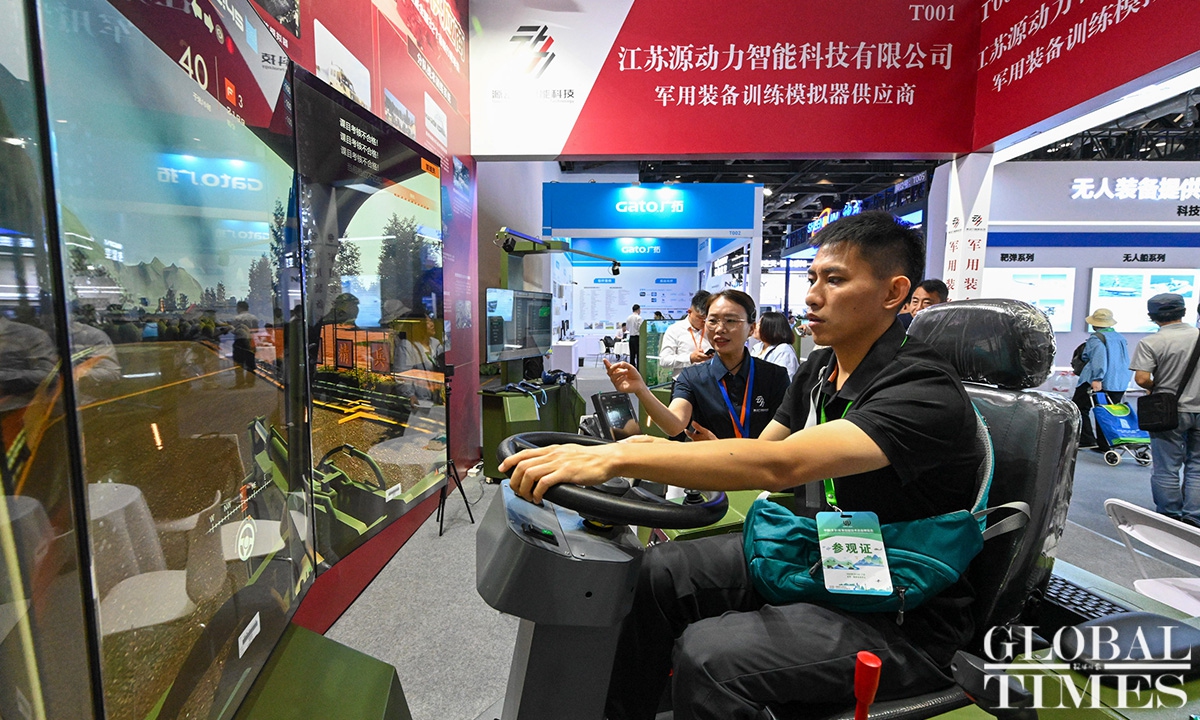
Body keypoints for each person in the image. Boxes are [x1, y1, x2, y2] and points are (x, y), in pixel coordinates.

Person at [501, 211, 984, 719]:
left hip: (904, 604)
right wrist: (637, 450)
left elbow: (780, 463)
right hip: (828, 555)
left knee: (709, 657)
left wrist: (620, 455)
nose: (812, 296)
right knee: (657, 573)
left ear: (893, 292)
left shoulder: (922, 387)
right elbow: (754, 446)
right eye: (813, 278)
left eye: (836, 280)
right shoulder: (822, 368)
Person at [605, 290, 789, 441]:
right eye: (713, 320)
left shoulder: (774, 376)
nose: (720, 328)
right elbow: (674, 425)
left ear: (751, 328)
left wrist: (720, 449)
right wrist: (641, 390)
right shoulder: (692, 377)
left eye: (731, 320)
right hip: (708, 471)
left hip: (760, 473)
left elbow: (780, 443)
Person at [1130, 293, 1200, 526]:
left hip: (1168, 410)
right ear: (1183, 312)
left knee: (1166, 466)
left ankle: (1170, 515)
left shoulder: (1151, 342)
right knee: (1197, 466)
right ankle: (1193, 516)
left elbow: (1141, 379)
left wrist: (1157, 388)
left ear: (1152, 316)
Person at [1072, 308, 1132, 451]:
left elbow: (1099, 359)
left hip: (1097, 380)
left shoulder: (1096, 338)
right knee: (1107, 412)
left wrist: (1097, 378)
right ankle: (1105, 444)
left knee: (1078, 407)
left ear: (1094, 323)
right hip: (1119, 381)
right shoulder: (1120, 338)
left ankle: (1086, 439)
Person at [658, 290, 712, 379]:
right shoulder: (675, 330)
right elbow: (664, 361)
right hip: (683, 383)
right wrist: (690, 358)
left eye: (708, 318)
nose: (704, 321)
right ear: (689, 312)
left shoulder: (712, 329)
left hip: (708, 381)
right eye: (701, 317)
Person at [753, 311, 801, 381]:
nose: (755, 326)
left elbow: (785, 381)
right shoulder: (757, 347)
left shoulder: (783, 351)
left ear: (770, 328)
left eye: (759, 324)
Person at [230, 301, 259, 387]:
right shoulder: (254, 318)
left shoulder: (236, 318)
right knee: (250, 362)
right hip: (250, 340)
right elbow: (256, 330)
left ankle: (240, 383)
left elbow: (234, 331)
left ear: (239, 308)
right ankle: (250, 382)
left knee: (239, 362)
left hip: (239, 341)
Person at [625, 304, 643, 370]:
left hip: (631, 337)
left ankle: (631, 369)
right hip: (637, 338)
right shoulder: (639, 318)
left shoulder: (628, 317)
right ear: (638, 309)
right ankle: (638, 369)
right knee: (638, 355)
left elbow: (627, 328)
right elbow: (640, 328)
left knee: (632, 355)